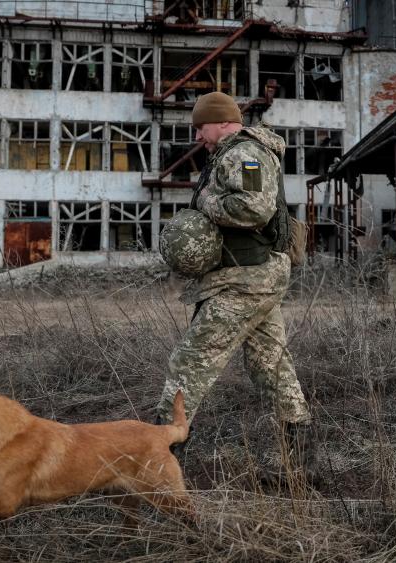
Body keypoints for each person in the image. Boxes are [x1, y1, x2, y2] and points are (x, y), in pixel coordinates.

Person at [156, 91, 317, 479]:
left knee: (191, 362)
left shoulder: (242, 153)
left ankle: (159, 457)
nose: (198, 136)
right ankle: (300, 462)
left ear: (223, 121)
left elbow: (254, 207)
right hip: (252, 274)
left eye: (201, 127)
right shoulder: (234, 152)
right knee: (270, 363)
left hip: (245, 278)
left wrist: (206, 203)